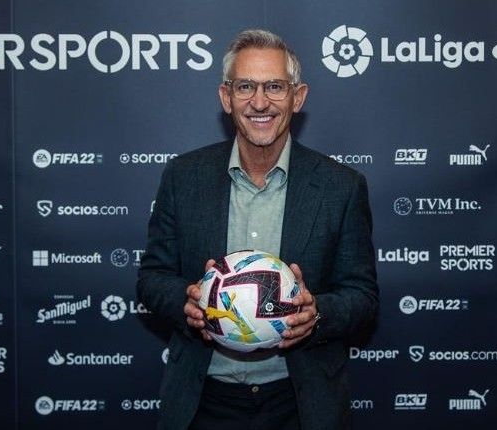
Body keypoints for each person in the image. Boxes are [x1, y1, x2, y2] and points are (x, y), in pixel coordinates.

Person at [136, 29, 378, 430]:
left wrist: (316, 313)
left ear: (298, 97)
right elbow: (152, 277)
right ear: (226, 97)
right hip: (203, 401)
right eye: (245, 86)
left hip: (299, 404)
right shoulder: (183, 176)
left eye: (275, 87)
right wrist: (187, 301)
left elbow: (363, 296)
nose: (260, 102)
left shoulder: (342, 187)